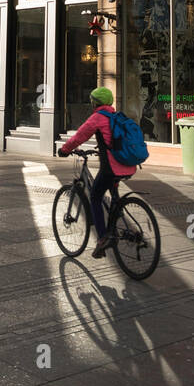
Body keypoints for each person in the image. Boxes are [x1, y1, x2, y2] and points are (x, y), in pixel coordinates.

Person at [58, 86, 138, 258]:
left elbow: (79, 136)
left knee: (95, 196)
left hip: (111, 167)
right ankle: (118, 213)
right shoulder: (117, 117)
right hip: (127, 164)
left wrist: (65, 149)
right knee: (113, 194)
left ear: (95, 103)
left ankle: (103, 237)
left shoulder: (98, 118)